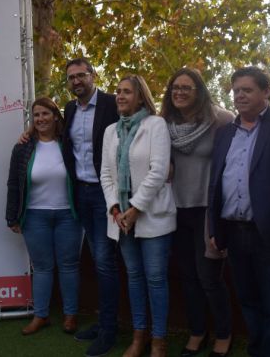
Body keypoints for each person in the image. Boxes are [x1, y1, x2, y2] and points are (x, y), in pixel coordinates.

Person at [207, 66, 270, 357]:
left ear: (266, 91)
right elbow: (216, 182)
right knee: (248, 302)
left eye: (247, 90)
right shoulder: (225, 133)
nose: (240, 96)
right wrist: (214, 229)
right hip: (233, 232)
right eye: (236, 90)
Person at [160, 68, 235, 357]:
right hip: (176, 209)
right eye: (175, 87)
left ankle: (224, 333)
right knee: (188, 277)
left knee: (209, 278)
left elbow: (252, 130)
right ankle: (197, 331)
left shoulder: (221, 120)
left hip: (207, 210)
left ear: (199, 91)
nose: (179, 92)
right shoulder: (164, 123)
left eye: (186, 87)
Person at [100, 75, 176, 357]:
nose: (120, 96)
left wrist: (134, 208)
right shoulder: (111, 131)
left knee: (155, 279)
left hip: (152, 215)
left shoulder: (155, 125)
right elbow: (105, 174)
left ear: (141, 97)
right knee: (134, 277)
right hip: (121, 219)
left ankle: (159, 341)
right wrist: (115, 208)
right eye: (118, 91)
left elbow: (159, 171)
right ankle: (139, 336)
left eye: (127, 92)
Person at [6, 97, 84, 336]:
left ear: (55, 117)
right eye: (36, 115)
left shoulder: (69, 144)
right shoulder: (23, 147)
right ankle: (41, 315)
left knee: (69, 266)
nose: (40, 119)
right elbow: (13, 184)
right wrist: (12, 217)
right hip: (34, 217)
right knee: (41, 267)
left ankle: (70, 315)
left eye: (45, 114)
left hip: (68, 215)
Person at [60, 58, 121, 357]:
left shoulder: (111, 103)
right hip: (81, 193)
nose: (76, 81)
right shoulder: (70, 109)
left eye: (81, 75)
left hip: (105, 193)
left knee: (105, 262)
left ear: (93, 75)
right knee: (98, 261)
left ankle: (109, 329)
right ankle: (104, 322)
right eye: (71, 77)